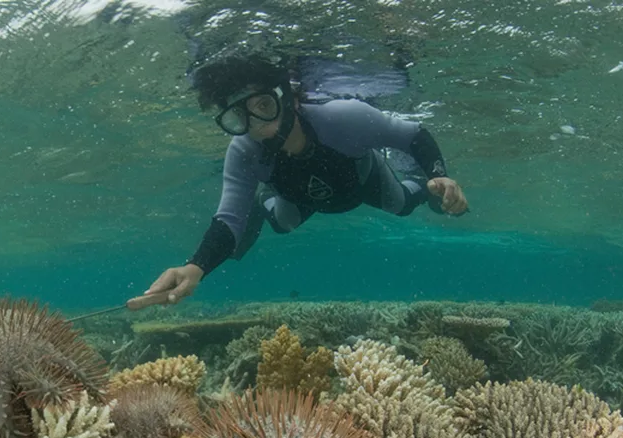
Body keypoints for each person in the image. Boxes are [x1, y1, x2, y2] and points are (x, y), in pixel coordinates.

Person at [134, 54, 468, 307]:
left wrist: (437, 175)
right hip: (298, 198)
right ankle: (264, 197)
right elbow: (229, 219)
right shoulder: (243, 152)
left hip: (362, 178)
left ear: (291, 98)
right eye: (239, 117)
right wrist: (196, 267)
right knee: (282, 224)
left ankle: (415, 181)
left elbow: (412, 135)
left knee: (403, 205)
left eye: (264, 105)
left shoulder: (345, 117)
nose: (258, 127)